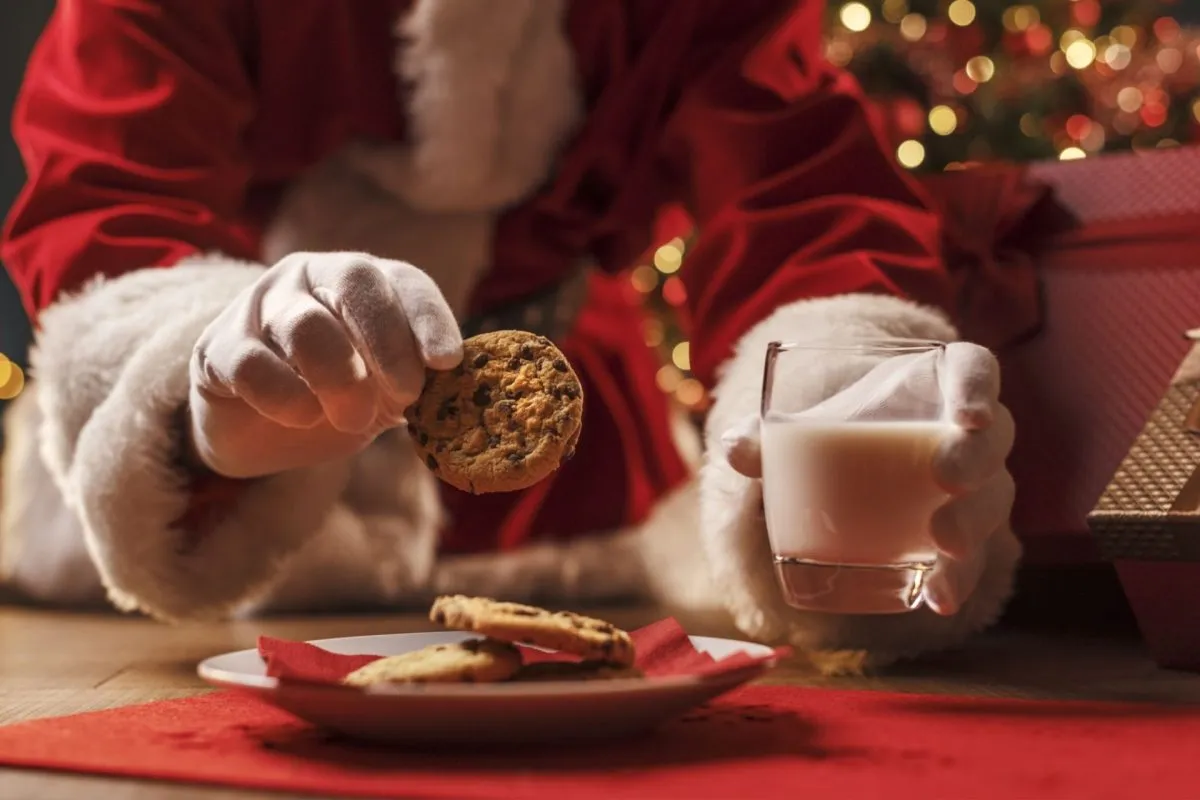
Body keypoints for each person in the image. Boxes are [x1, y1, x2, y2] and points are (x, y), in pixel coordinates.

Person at [0, 0, 1017, 667]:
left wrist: (840, 405)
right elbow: (109, 189)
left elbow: (804, 193)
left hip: (571, 497)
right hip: (216, 495)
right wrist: (197, 376)